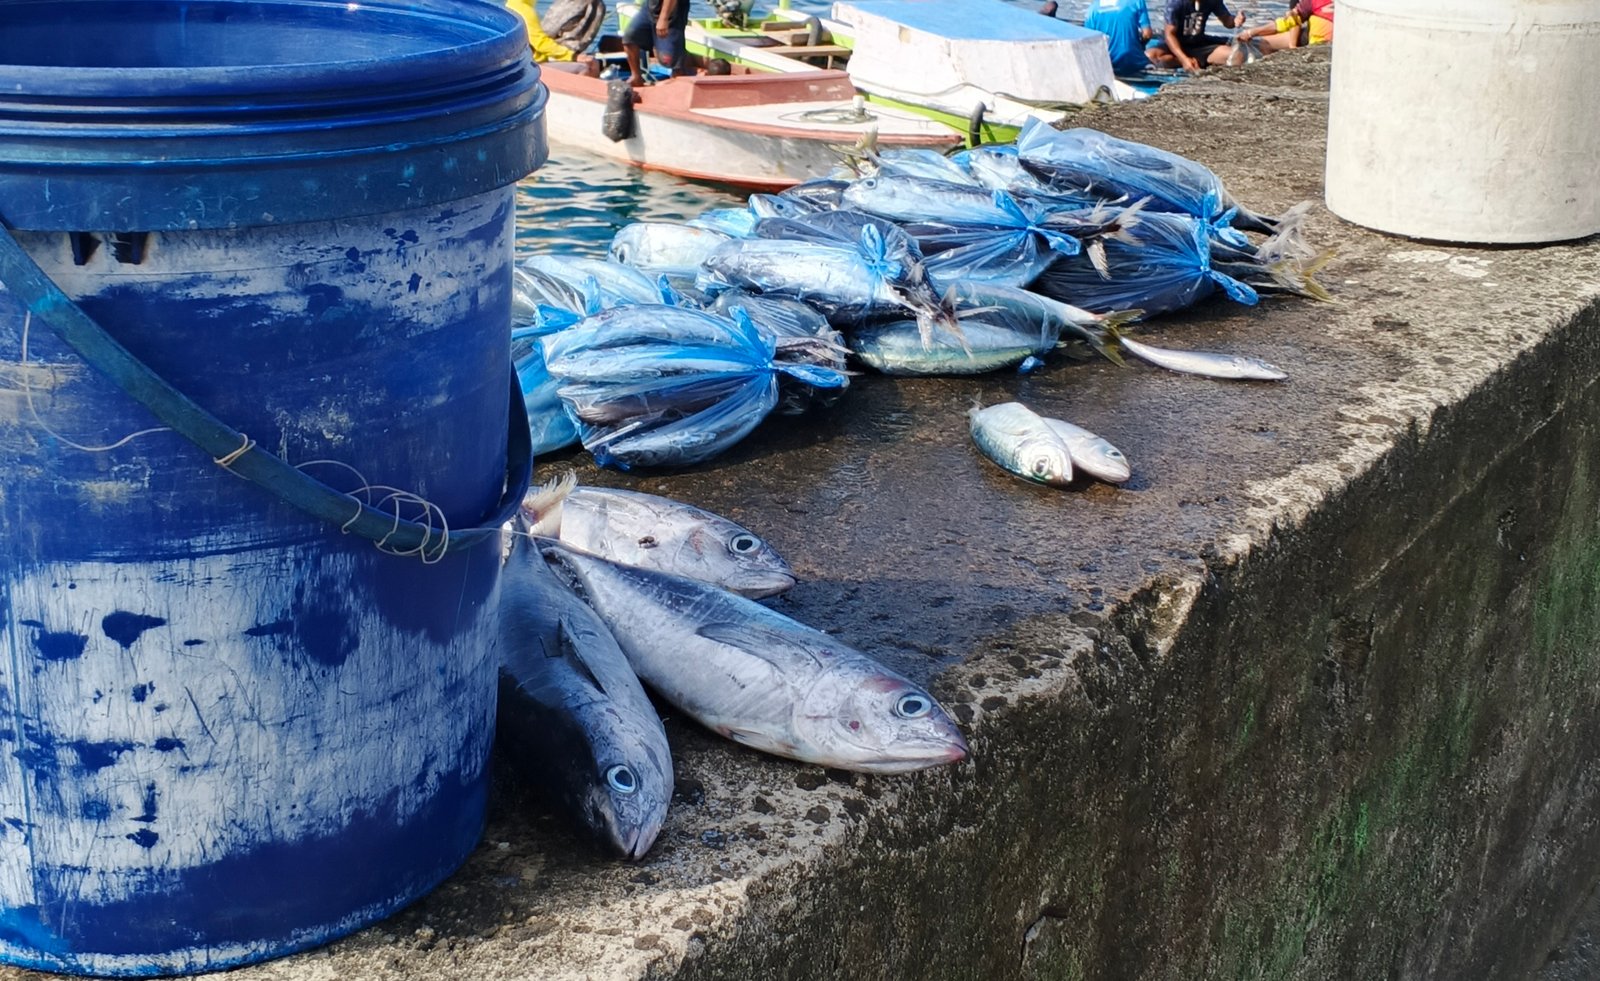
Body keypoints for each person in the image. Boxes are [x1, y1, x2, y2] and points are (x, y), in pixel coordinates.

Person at [1148, 0, 1247, 71]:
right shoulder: (1175, 3)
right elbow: (1169, 34)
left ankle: (1197, 61)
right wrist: (1183, 59)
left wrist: (1235, 20)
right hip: (1175, 45)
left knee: (1236, 55)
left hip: (1198, 44)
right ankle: (1188, 61)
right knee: (1150, 56)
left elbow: (1227, 21)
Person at [505, 0, 601, 67]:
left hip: (521, 60)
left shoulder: (511, 5)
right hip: (535, 64)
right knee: (589, 66)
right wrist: (573, 56)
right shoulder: (524, 10)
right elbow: (540, 43)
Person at [624, 0, 691, 87]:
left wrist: (664, 18)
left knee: (670, 59)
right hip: (651, 7)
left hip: (672, 12)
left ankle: (681, 80)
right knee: (630, 37)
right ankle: (636, 77)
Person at [1083, 0, 1156, 76]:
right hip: (1135, 63)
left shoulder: (1092, 9)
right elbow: (1147, 34)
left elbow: (1088, 43)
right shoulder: (1136, 1)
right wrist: (1141, 46)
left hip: (1108, 64)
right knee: (1158, 58)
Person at [1237, 0, 1333, 51]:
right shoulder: (1314, 2)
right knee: (1258, 43)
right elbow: (1291, 20)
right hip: (1312, 39)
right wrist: (1251, 32)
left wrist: (1292, 45)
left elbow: (1292, 20)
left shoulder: (1317, 2)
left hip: (1321, 47)